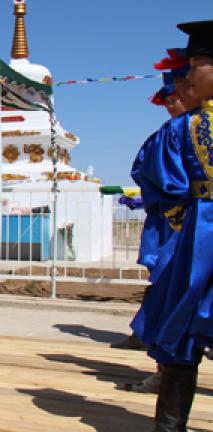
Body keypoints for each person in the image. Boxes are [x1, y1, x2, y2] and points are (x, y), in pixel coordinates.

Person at [130, 20, 213, 431]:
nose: (188, 75)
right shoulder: (182, 129)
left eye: (198, 62)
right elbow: (157, 180)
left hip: (198, 234)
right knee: (181, 329)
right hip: (198, 238)